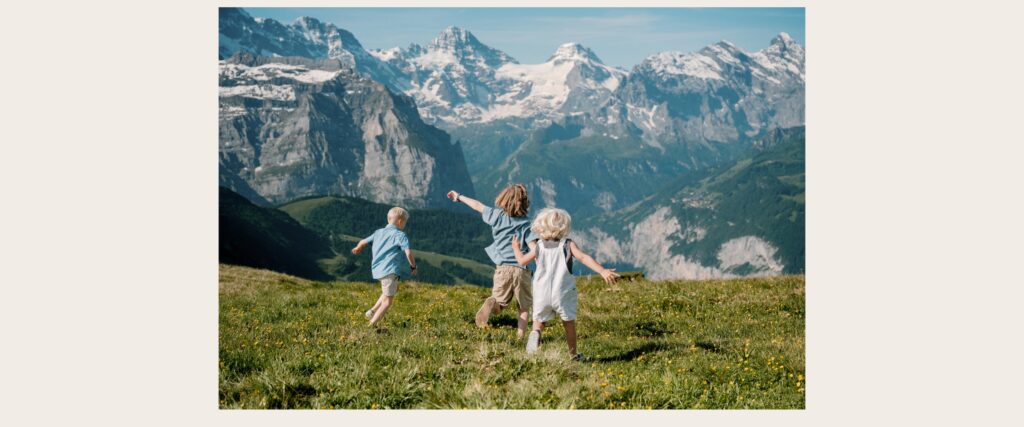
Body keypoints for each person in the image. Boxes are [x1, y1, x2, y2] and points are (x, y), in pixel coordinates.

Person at [511, 208, 619, 360]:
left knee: (539, 321)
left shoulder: (539, 246)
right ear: (564, 227)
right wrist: (602, 271)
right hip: (562, 291)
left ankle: (535, 334)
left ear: (541, 226)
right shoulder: (567, 244)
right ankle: (573, 355)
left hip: (541, 291)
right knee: (568, 322)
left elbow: (522, 261)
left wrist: (516, 248)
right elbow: (583, 257)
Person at [447, 185, 535, 338]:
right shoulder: (527, 224)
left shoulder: (496, 215)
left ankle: (492, 304)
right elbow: (534, 249)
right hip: (522, 269)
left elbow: (477, 205)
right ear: (525, 202)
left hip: (503, 268)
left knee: (500, 304)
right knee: (524, 307)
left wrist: (459, 196)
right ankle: (520, 336)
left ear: (503, 198)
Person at [351, 207, 417, 328]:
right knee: (388, 301)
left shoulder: (378, 232)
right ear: (400, 222)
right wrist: (413, 266)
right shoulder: (400, 235)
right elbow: (408, 252)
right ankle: (371, 325)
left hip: (377, 269)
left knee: (389, 291)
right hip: (390, 270)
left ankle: (372, 311)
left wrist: (358, 248)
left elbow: (363, 241)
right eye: (405, 223)